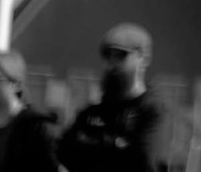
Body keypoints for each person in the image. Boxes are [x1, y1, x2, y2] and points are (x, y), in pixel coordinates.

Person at [57, 24, 164, 172]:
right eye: (108, 56)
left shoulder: (153, 112)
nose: (112, 64)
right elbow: (65, 152)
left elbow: (144, 162)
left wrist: (95, 145)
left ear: (143, 59)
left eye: (120, 56)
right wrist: (116, 144)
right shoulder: (93, 113)